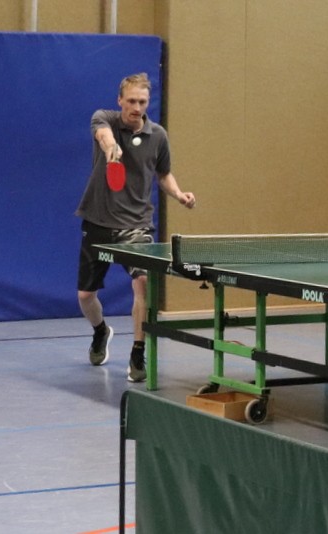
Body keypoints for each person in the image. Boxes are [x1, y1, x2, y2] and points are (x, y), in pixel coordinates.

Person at [76, 73, 196, 383]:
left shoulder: (158, 135)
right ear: (120, 100)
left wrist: (179, 194)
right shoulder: (104, 118)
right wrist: (112, 149)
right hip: (98, 220)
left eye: (142, 102)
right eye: (131, 101)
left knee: (142, 281)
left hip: (136, 225)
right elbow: (103, 136)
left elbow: (163, 173)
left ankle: (137, 352)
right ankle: (100, 331)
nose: (136, 107)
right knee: (85, 296)